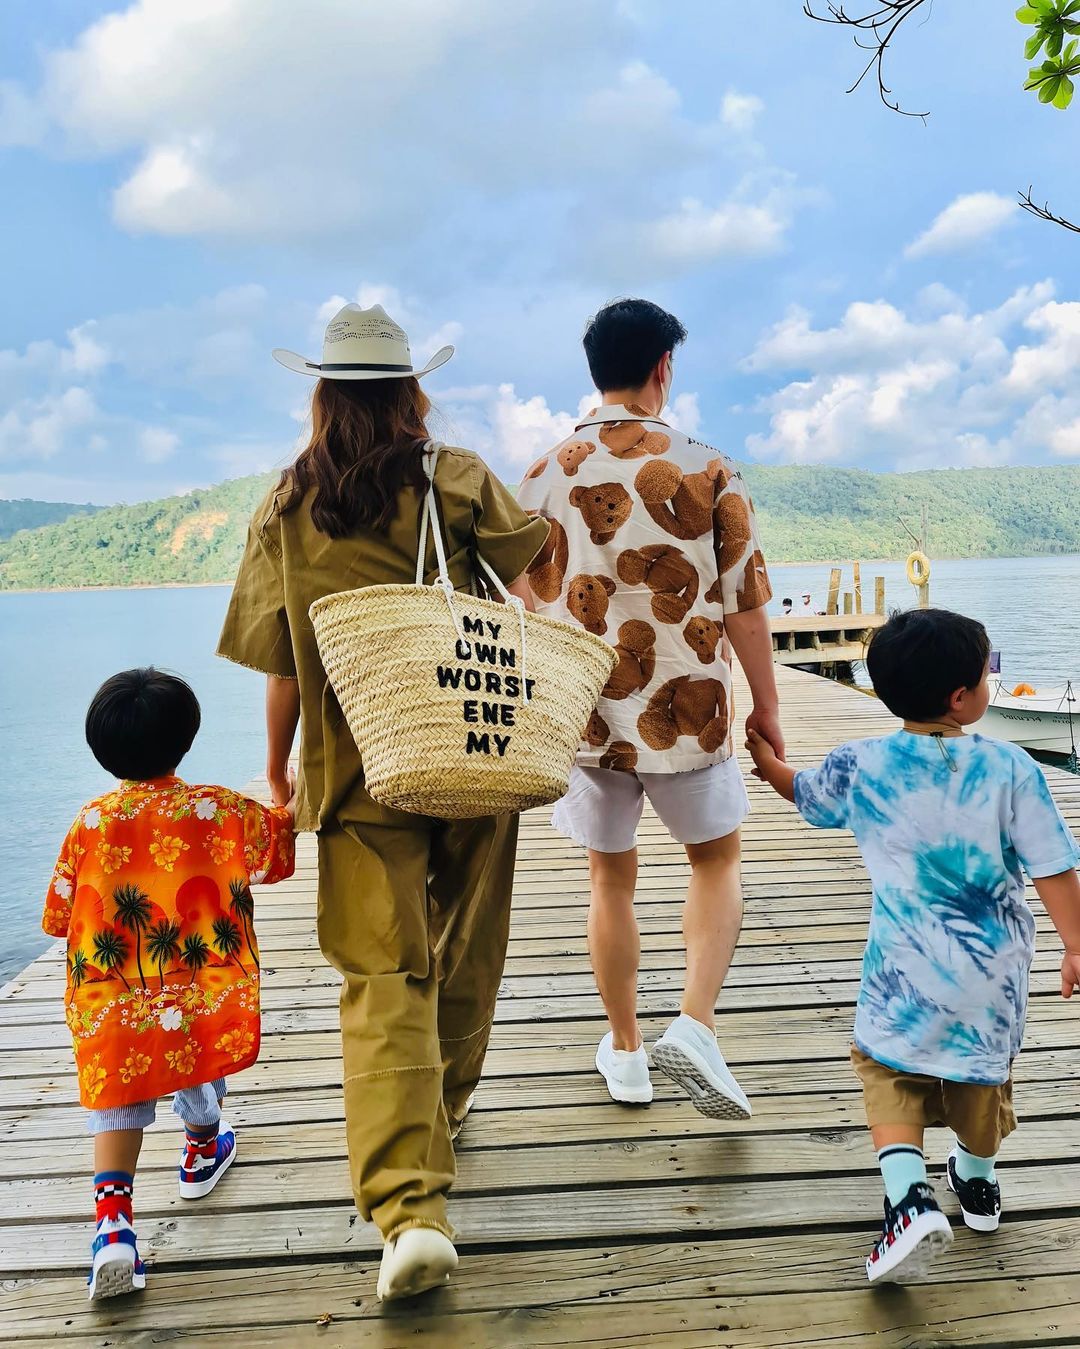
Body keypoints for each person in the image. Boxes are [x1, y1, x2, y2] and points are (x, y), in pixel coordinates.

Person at [217, 303, 549, 1301]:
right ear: (413, 391)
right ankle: (444, 1101)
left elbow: (282, 660)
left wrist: (277, 770)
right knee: (468, 944)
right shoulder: (457, 477)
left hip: (355, 770)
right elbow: (532, 577)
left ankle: (409, 1207)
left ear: (322, 395)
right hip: (473, 743)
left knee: (383, 972)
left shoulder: (287, 505)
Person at [746, 608, 1080, 1284]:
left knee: (889, 1071)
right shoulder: (1011, 767)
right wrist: (1075, 945)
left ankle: (908, 1199)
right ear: (961, 697)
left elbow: (802, 793)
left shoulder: (861, 763)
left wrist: (767, 762)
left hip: (901, 971)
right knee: (980, 1079)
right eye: (985, 675)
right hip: (989, 975)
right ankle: (977, 1183)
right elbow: (1052, 866)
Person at [517, 297, 783, 1119]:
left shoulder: (544, 473)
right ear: (664, 366)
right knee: (716, 861)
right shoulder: (708, 467)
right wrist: (767, 707)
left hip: (585, 712)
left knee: (609, 878)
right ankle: (695, 1024)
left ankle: (627, 1050)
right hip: (690, 706)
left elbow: (523, 597)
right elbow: (744, 603)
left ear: (595, 369)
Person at [44, 669, 295, 1300]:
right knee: (194, 1048)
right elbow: (275, 852)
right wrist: (283, 793)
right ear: (186, 738)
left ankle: (113, 1228)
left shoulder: (89, 822)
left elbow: (59, 914)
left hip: (112, 994)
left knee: (117, 1096)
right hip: (198, 985)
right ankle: (202, 1149)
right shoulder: (219, 810)